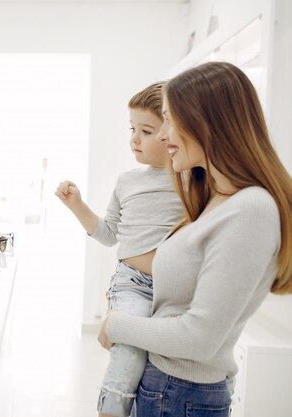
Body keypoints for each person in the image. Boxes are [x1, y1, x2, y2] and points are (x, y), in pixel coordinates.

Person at [98, 61, 292, 415]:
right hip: (164, 386)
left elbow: (199, 338)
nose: (161, 135)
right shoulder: (213, 199)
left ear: (206, 122)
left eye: (170, 120)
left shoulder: (251, 209)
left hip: (180, 393)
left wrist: (116, 324)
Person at [55, 82, 183, 417]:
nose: (135, 139)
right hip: (131, 284)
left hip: (175, 288)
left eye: (146, 130)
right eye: (132, 129)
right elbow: (109, 234)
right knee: (128, 356)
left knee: (163, 368)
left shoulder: (190, 179)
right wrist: (77, 205)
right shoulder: (127, 181)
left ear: (172, 131)